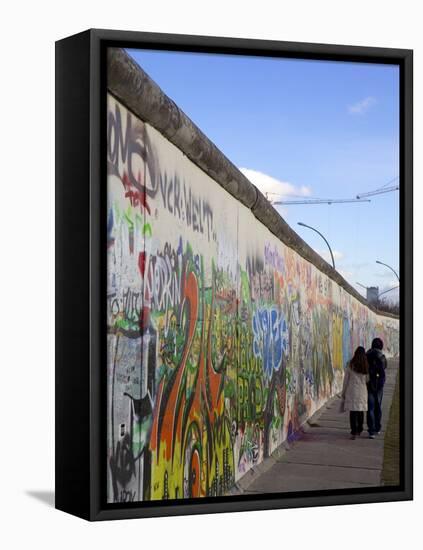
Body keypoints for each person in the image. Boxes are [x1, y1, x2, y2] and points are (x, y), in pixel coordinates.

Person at [341, 346, 369, 439]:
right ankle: (360, 429)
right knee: (360, 411)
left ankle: (354, 431)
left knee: (353, 412)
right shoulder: (366, 365)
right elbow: (367, 379)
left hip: (352, 391)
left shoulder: (350, 364)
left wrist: (343, 392)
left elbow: (346, 380)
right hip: (362, 391)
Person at [366, 337, 387, 439]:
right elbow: (384, 368)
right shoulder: (381, 356)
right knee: (378, 406)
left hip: (369, 384)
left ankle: (371, 431)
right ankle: (377, 427)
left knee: (370, 407)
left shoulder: (367, 355)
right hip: (379, 385)